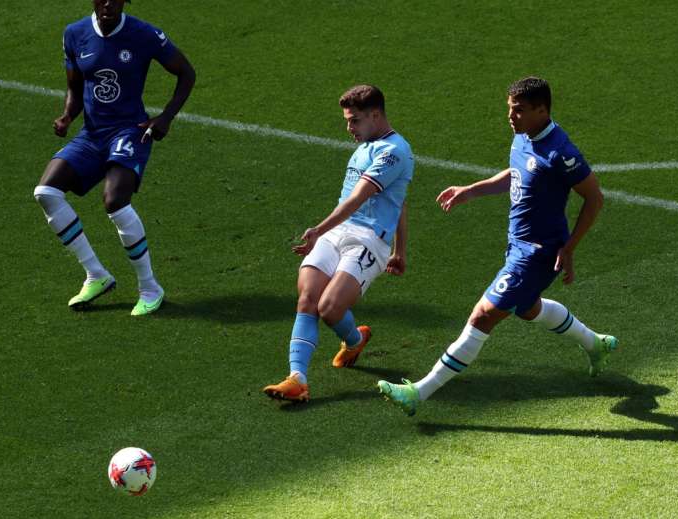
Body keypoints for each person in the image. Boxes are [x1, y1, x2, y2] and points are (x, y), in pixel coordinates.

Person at [378, 77, 617, 416]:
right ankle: (596, 344)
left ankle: (420, 392)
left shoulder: (562, 153)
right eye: (509, 109)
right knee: (528, 307)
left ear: (542, 110)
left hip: (537, 253)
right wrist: (471, 190)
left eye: (518, 111)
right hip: (516, 245)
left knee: (483, 315)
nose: (511, 117)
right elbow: (516, 173)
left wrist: (570, 247)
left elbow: (594, 198)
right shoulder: (524, 136)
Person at [32, 0, 195, 316]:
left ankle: (149, 287)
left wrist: (166, 117)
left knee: (114, 200)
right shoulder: (74, 34)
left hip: (129, 131)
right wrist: (67, 116)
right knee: (46, 193)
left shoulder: (143, 34)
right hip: (92, 136)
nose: (108, 3)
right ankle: (96, 274)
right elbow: (75, 88)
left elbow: (186, 73)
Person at [263, 85, 414, 402]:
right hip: (336, 232)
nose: (349, 128)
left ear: (375, 115)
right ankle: (297, 379)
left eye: (355, 120)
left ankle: (354, 339)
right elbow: (397, 200)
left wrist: (397, 249)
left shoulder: (394, 152)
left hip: (369, 240)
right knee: (307, 296)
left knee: (330, 307)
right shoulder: (364, 145)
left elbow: (361, 198)